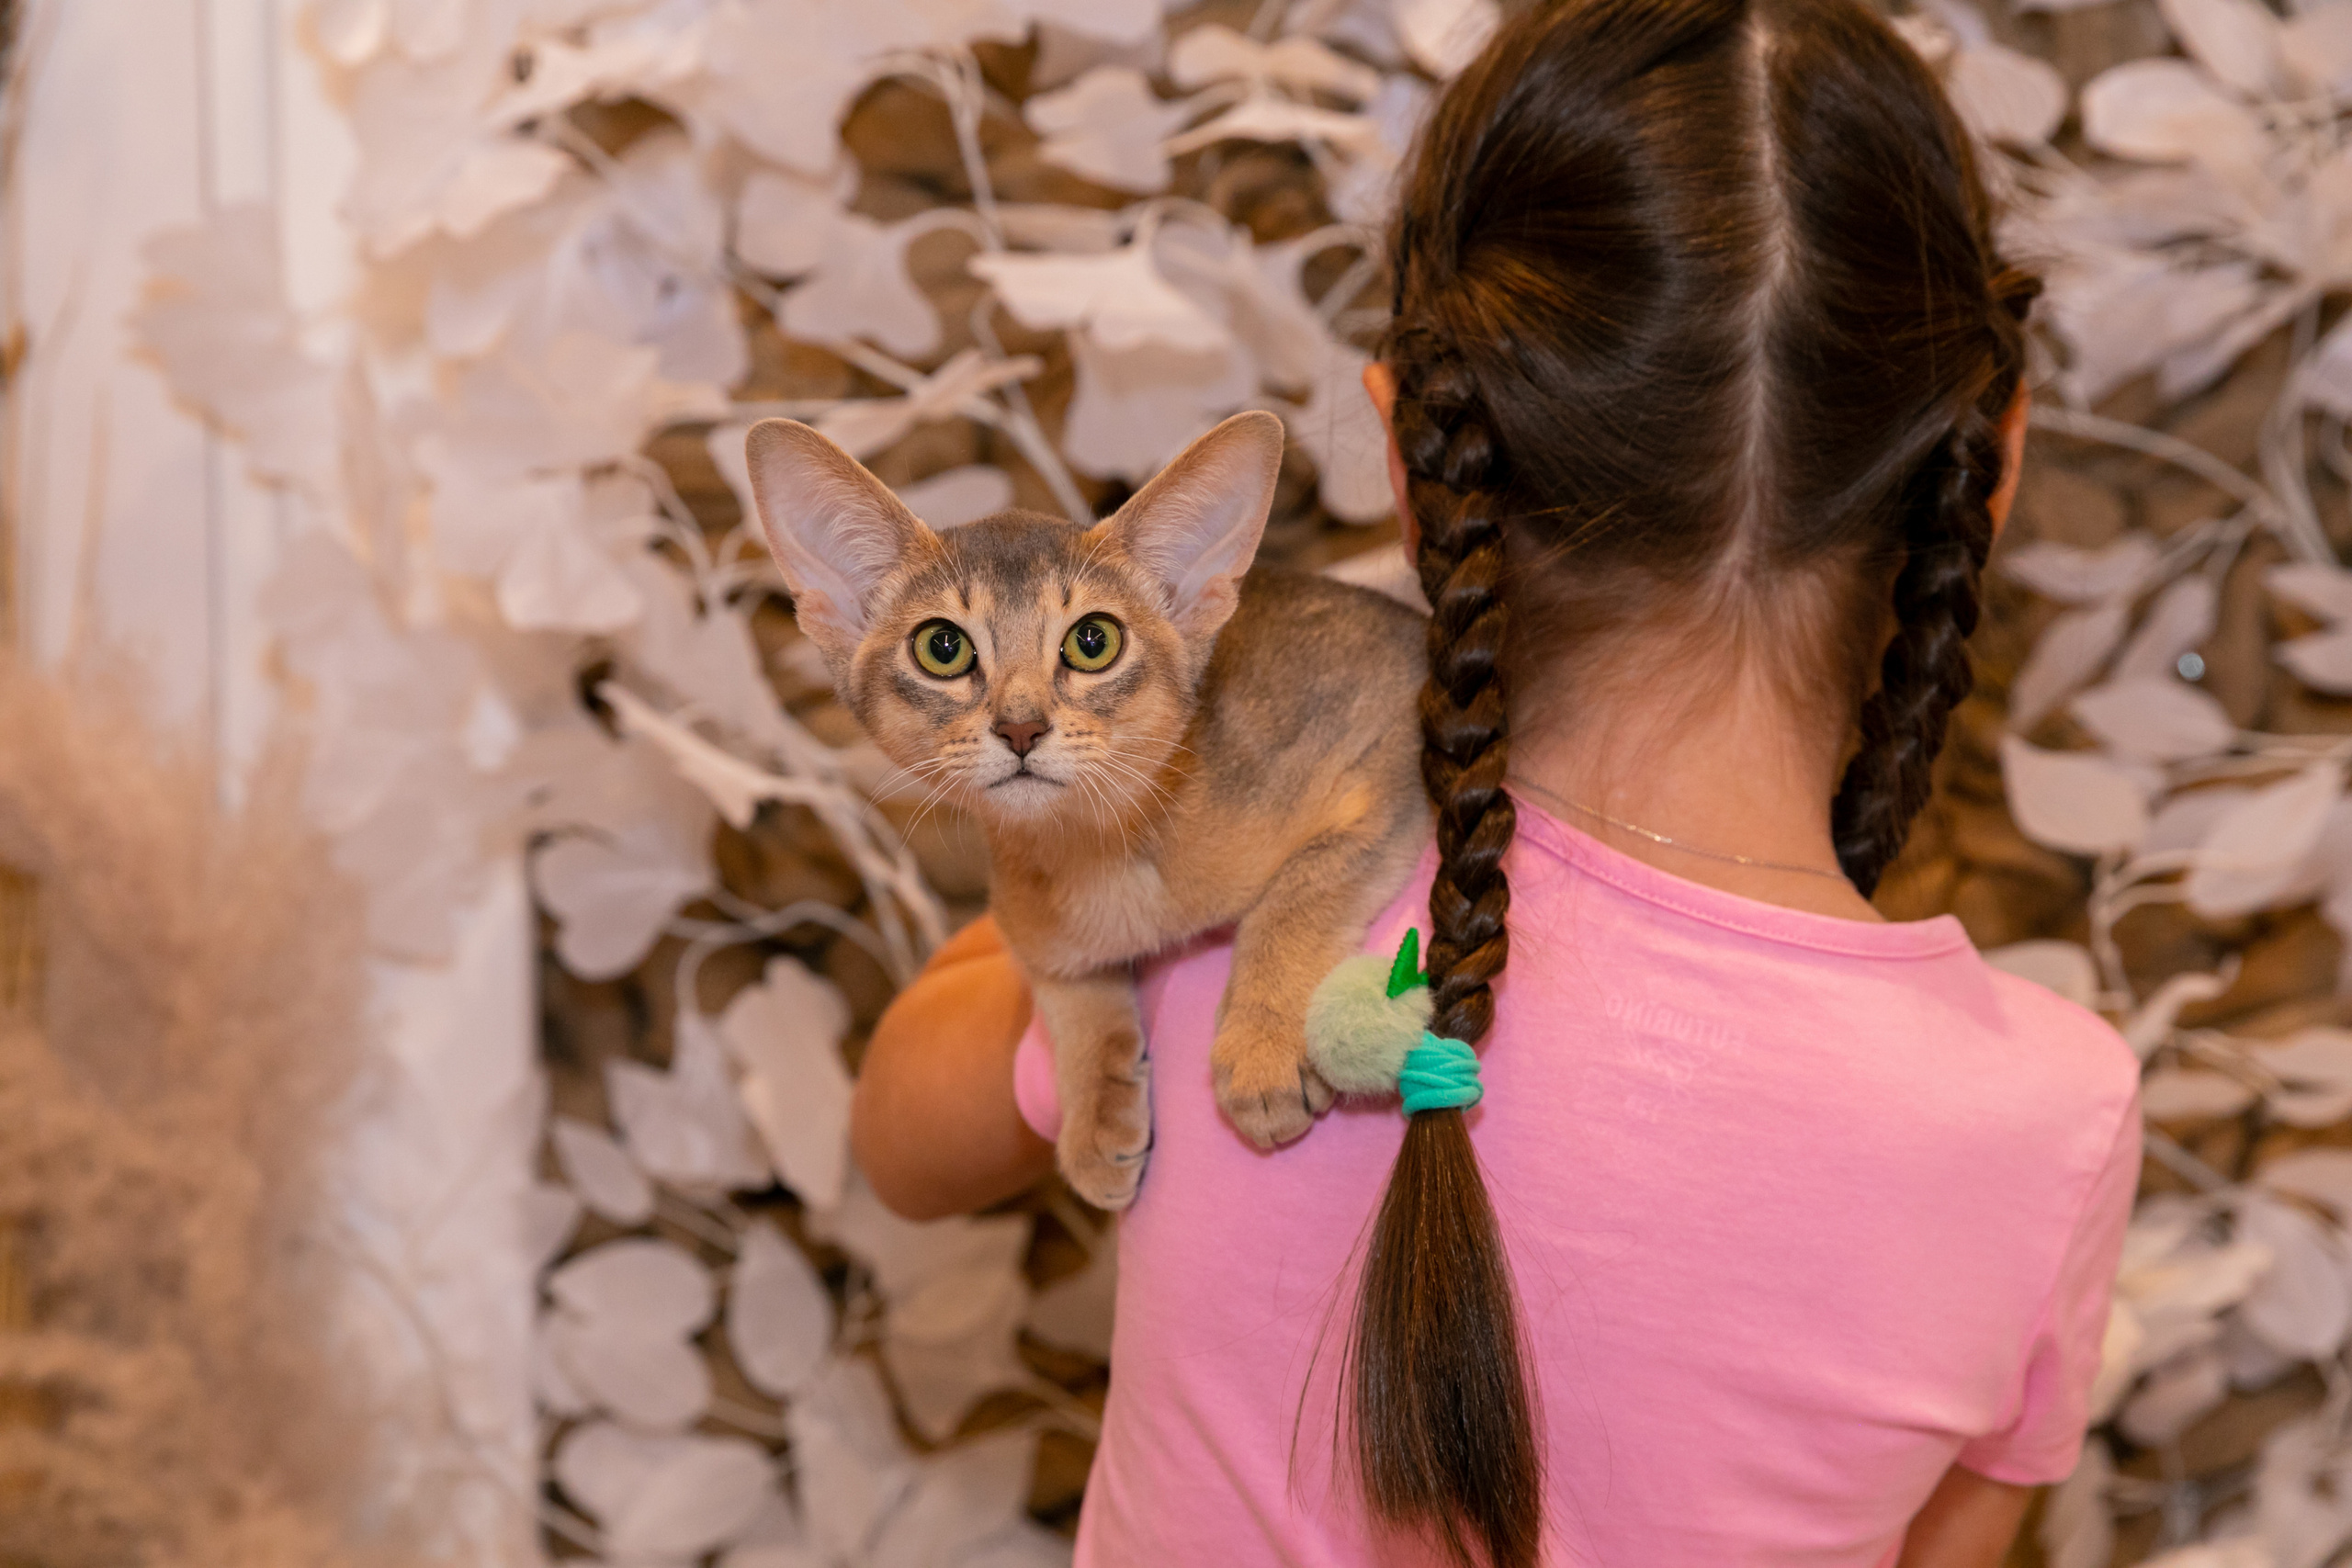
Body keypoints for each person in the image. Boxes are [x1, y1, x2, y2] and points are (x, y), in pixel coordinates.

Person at [850, 1, 2143, 1562]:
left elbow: (905, 1137)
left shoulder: (1231, 915)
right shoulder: (2049, 1122)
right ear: (1990, 464)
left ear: (1411, 457)